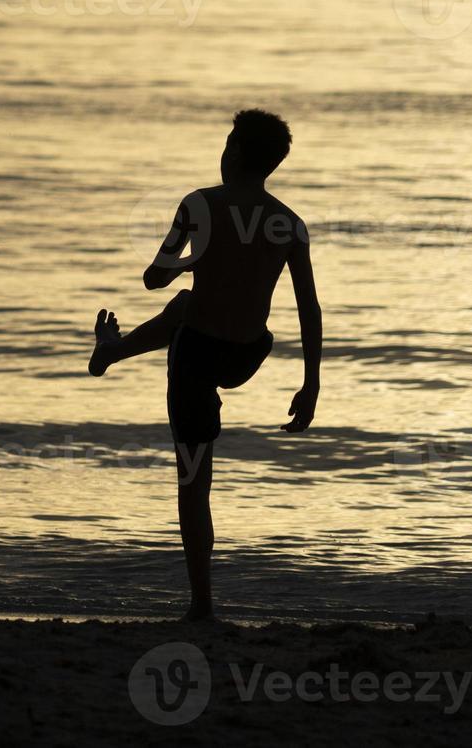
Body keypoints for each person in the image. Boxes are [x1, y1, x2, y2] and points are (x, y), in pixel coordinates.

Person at [87, 108, 322, 621]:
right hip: (247, 354)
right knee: (185, 309)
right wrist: (311, 386)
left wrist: (194, 259)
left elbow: (154, 278)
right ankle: (113, 352)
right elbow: (309, 308)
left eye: (227, 141)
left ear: (234, 152)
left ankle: (201, 606)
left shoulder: (198, 206)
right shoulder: (291, 224)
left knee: (194, 480)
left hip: (197, 357)